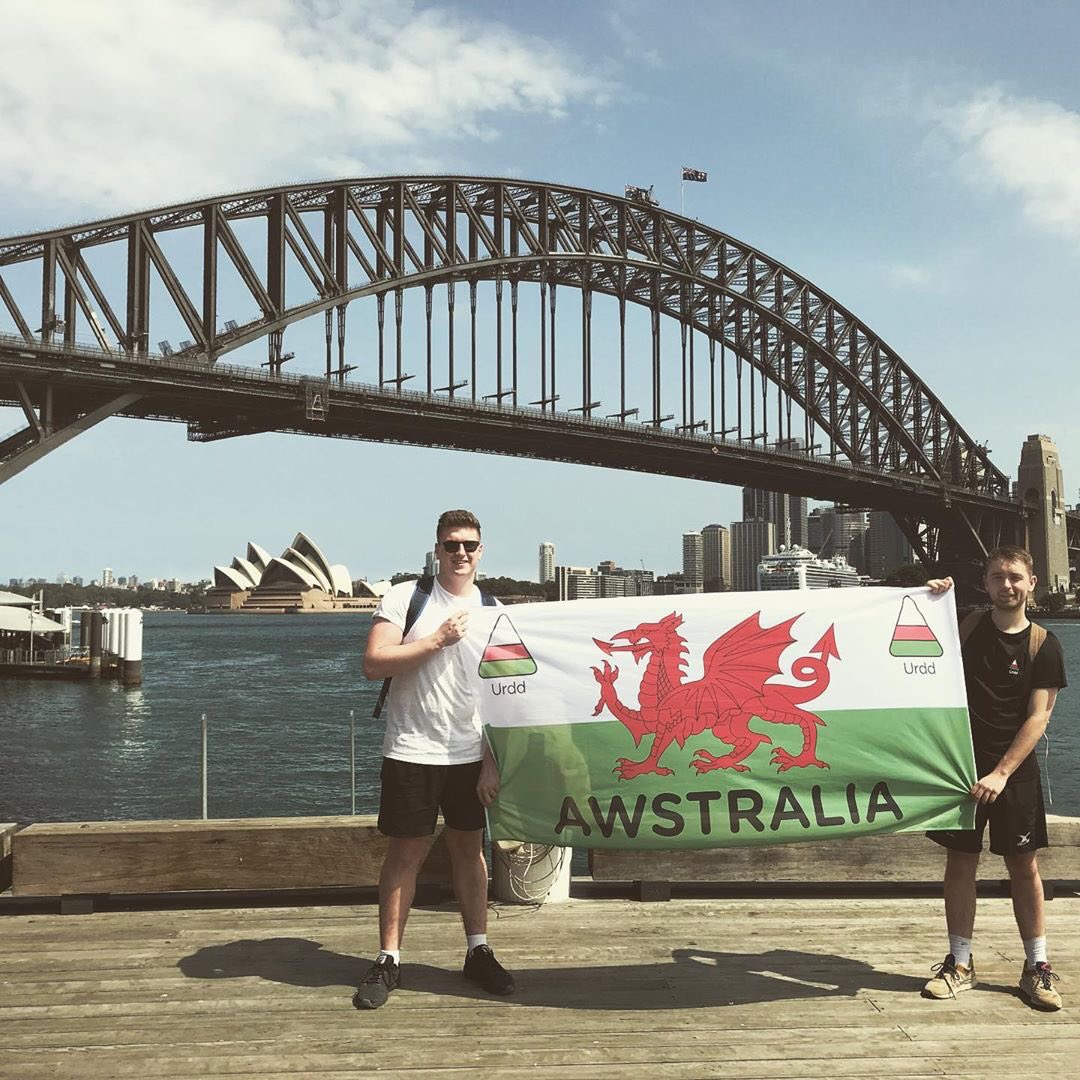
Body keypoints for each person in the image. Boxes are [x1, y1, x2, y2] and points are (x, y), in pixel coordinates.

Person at [352, 509, 513, 1010]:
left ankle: (478, 950)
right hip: (411, 750)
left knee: (471, 851)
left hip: (469, 754)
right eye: (450, 545)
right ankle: (389, 958)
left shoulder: (493, 609)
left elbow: (504, 695)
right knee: (406, 855)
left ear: (481, 550)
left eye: (468, 545)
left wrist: (492, 761)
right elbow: (374, 664)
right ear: (436, 550)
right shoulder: (406, 597)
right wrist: (435, 640)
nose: (460, 553)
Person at [922, 546, 1066, 1010]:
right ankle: (960, 963)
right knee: (960, 864)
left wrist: (1002, 773)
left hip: (1013, 774)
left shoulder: (1044, 644)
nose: (1007, 585)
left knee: (1024, 867)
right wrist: (931, 597)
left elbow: (1039, 717)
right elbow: (909, 645)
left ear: (1031, 584)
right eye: (997, 577)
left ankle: (1037, 968)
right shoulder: (961, 626)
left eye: (1015, 577)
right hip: (960, 769)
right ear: (983, 583)